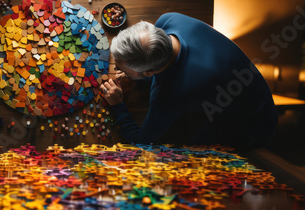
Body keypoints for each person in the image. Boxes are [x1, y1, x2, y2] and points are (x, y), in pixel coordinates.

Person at [101, 12, 278, 148]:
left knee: (195, 150)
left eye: (121, 68)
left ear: (148, 72)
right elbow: (168, 71)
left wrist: (118, 105)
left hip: (253, 121)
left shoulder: (170, 95)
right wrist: (134, 75)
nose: (117, 70)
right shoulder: (170, 20)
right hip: (244, 83)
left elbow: (143, 143)